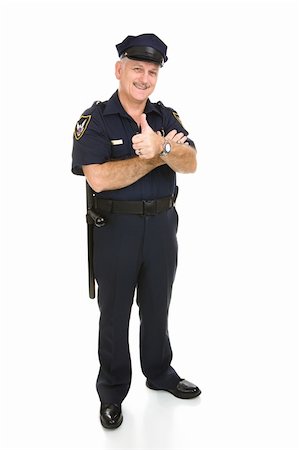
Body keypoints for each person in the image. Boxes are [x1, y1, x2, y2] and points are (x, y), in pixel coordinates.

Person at [72, 33, 201, 430]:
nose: (144, 78)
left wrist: (161, 145)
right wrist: (153, 157)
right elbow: (99, 179)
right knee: (114, 316)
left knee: (158, 306)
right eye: (137, 69)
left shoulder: (165, 118)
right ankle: (111, 392)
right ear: (119, 70)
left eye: (152, 71)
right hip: (116, 230)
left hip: (162, 226)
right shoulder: (94, 121)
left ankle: (159, 372)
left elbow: (191, 161)